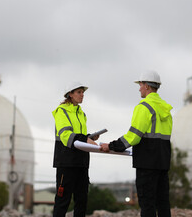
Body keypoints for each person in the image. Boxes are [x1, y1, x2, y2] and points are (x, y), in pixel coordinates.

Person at [100, 70, 173, 217]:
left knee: (147, 204)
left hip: (147, 164)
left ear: (146, 86)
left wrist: (111, 146)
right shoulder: (166, 109)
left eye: (140, 85)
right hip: (163, 163)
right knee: (163, 203)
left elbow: (133, 137)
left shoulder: (144, 107)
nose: (139, 88)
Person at [52, 81, 98, 217]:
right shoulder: (61, 111)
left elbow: (79, 136)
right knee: (62, 201)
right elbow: (66, 135)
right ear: (70, 95)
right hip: (66, 162)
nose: (82, 95)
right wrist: (85, 139)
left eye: (83, 92)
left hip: (81, 162)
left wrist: (90, 137)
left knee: (82, 201)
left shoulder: (82, 114)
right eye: (79, 92)